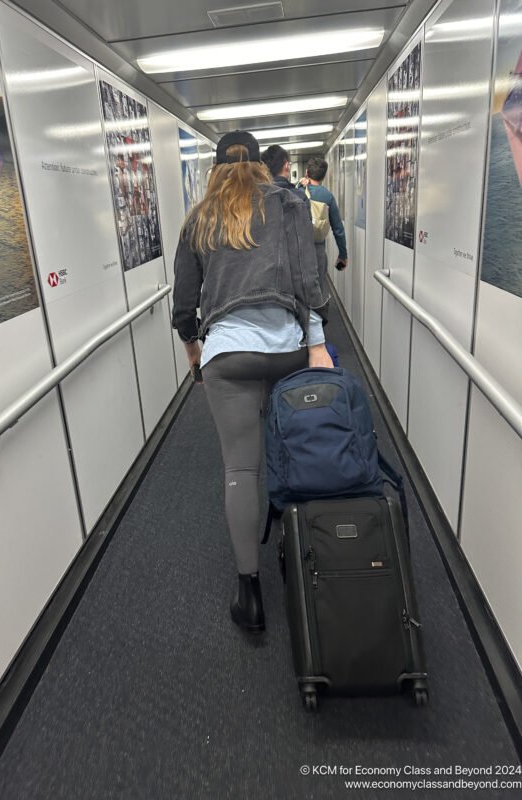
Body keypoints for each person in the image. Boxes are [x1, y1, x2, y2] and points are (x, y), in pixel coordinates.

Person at [172, 131, 334, 634]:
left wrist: (196, 352)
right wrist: (317, 340)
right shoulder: (287, 203)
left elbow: (183, 302)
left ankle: (250, 594)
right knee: (297, 453)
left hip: (228, 356)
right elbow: (309, 281)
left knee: (241, 470)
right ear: (263, 165)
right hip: (287, 349)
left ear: (215, 168)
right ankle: (312, 565)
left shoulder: (199, 218)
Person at [299, 157, 348, 293]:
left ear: (307, 173)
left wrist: (299, 185)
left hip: (298, 250)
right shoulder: (328, 196)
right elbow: (338, 229)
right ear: (324, 176)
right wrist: (343, 255)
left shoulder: (298, 192)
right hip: (318, 250)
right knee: (318, 289)